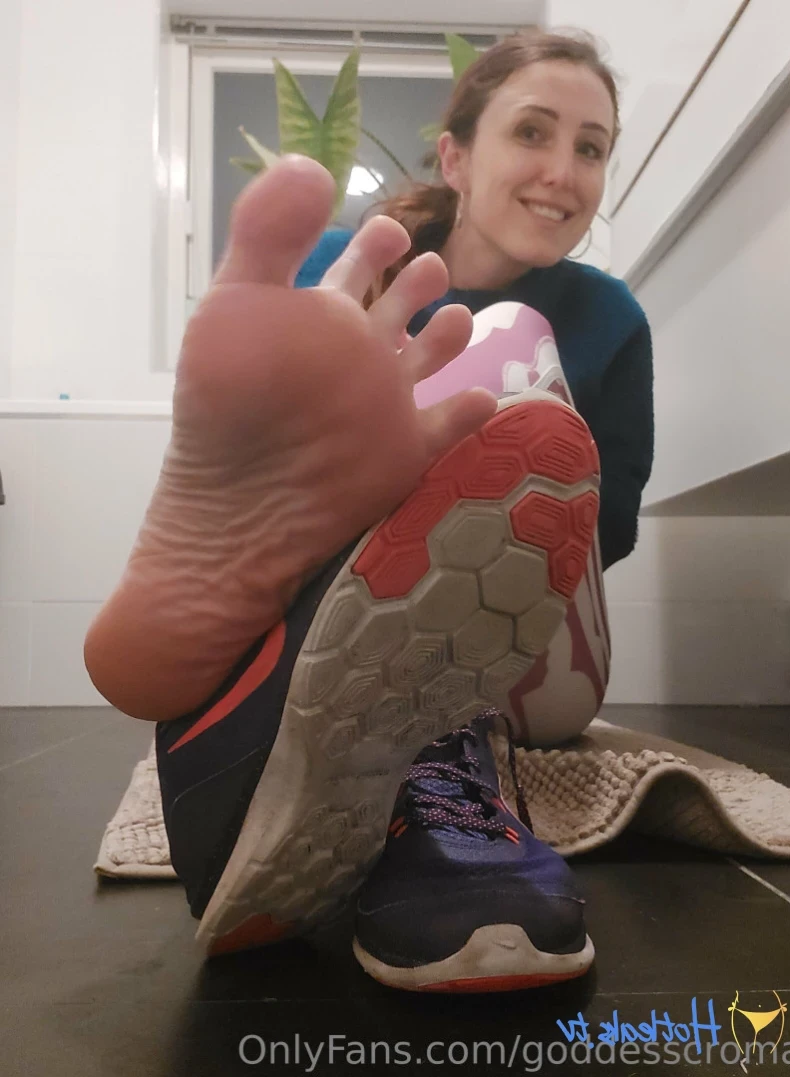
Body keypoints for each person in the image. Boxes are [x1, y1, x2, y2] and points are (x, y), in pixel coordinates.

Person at [84, 29, 653, 991]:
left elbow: (611, 532)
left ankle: (337, 700)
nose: (564, 172)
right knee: (369, 390)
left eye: (590, 147)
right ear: (455, 156)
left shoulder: (610, 316)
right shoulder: (347, 268)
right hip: (354, 618)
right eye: (533, 132)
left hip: (542, 658)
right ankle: (263, 699)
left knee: (508, 336)